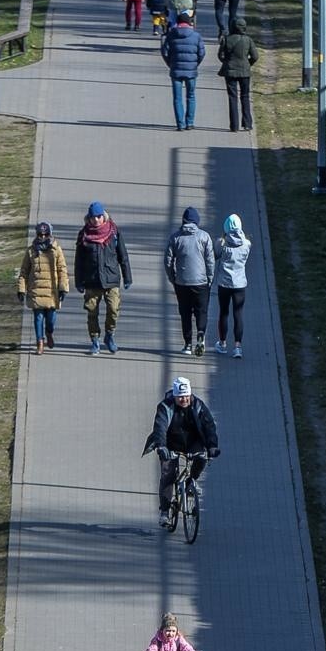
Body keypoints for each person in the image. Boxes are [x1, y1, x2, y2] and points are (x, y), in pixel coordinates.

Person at [142, 375, 220, 526]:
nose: (184, 400)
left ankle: (192, 480)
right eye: (180, 397)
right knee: (167, 475)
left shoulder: (198, 405)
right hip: (170, 444)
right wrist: (161, 446)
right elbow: (160, 427)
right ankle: (165, 512)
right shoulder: (165, 407)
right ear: (175, 396)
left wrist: (212, 446)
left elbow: (209, 425)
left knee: (202, 458)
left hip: (193, 442)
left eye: (186, 396)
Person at [74, 201, 132, 355]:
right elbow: (78, 261)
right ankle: (95, 340)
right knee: (92, 312)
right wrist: (78, 282)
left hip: (111, 279)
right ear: (89, 218)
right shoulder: (84, 235)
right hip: (91, 281)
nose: (96, 220)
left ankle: (109, 335)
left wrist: (127, 277)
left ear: (103, 216)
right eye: (93, 217)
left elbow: (123, 256)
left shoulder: (113, 231)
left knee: (113, 309)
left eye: (99, 216)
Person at [164, 206, 215, 356]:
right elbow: (210, 260)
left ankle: (187, 345)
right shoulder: (204, 237)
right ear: (197, 222)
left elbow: (167, 261)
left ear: (183, 221)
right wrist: (210, 278)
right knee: (202, 311)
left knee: (185, 313)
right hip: (201, 282)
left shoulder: (175, 237)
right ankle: (201, 333)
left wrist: (173, 278)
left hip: (182, 282)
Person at [17, 221, 70, 353]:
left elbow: (62, 269)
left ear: (50, 234)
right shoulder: (31, 251)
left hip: (52, 292)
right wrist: (21, 289)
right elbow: (24, 271)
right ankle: (39, 342)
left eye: (45, 235)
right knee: (38, 317)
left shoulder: (56, 249)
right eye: (40, 235)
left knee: (51, 318)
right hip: (36, 290)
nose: (42, 237)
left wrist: (63, 287)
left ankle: (49, 332)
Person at [213, 214, 251, 357]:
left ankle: (222, 344)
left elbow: (215, 256)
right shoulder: (247, 244)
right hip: (240, 284)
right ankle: (238, 347)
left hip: (224, 284)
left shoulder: (221, 243)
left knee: (223, 313)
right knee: (238, 314)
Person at [161, 9, 205, 132]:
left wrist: (170, 64)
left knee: (177, 98)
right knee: (191, 96)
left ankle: (180, 124)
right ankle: (189, 122)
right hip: (191, 71)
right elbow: (201, 53)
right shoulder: (196, 36)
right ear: (189, 23)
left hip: (175, 70)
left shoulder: (171, 34)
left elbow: (164, 52)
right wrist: (195, 64)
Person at [218, 15, 259, 132]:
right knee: (245, 96)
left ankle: (234, 125)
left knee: (232, 97)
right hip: (245, 71)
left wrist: (227, 62)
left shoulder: (226, 39)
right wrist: (247, 63)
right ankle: (247, 123)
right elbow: (255, 56)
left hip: (230, 70)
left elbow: (220, 55)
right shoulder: (248, 40)